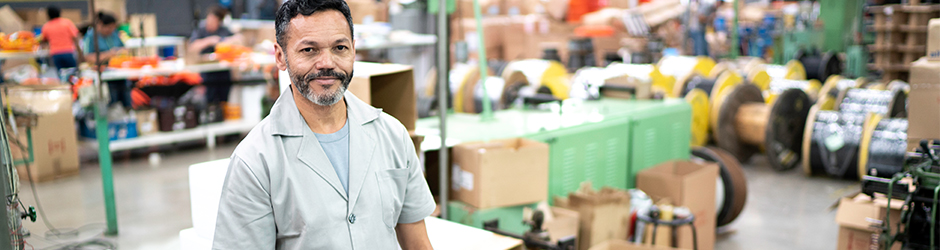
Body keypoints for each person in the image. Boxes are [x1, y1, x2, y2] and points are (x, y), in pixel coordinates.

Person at [212, 0, 435, 248]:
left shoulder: (392, 135)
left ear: (353, 50)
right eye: (309, 50)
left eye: (339, 47)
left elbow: (418, 244)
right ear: (280, 56)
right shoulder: (255, 160)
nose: (327, 63)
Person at [188, 5, 242, 104]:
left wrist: (225, 41)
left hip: (223, 70)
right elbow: (192, 46)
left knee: (224, 98)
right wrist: (209, 41)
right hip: (207, 71)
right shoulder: (201, 31)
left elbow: (238, 38)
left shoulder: (223, 30)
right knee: (209, 98)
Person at [83, 12, 131, 108]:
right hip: (103, 76)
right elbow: (88, 57)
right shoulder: (91, 37)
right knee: (111, 101)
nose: (111, 30)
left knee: (126, 99)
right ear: (100, 25)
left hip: (119, 73)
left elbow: (124, 48)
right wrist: (109, 54)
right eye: (108, 28)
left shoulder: (115, 34)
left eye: (113, 28)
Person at [40, 5, 82, 71]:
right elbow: (75, 37)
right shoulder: (67, 23)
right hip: (68, 52)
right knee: (73, 73)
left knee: (61, 74)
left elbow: (43, 40)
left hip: (56, 54)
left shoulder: (46, 26)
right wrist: (79, 51)